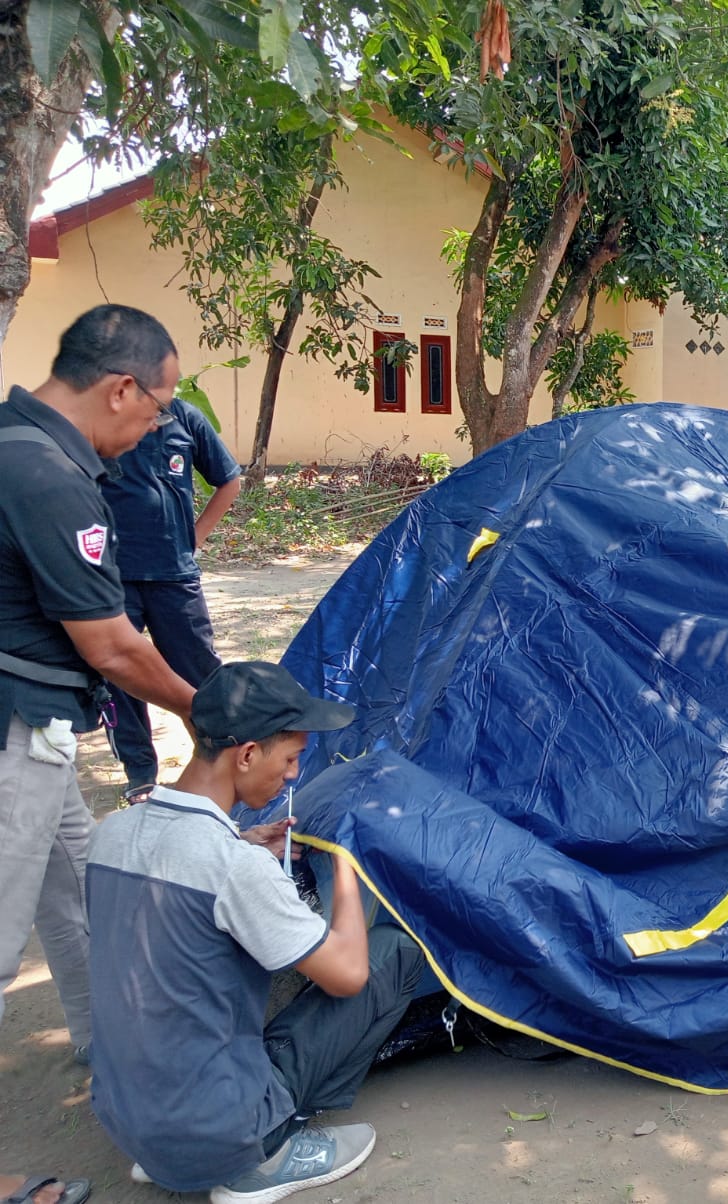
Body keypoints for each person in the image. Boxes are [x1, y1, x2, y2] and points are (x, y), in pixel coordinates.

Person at [86, 661, 425, 1203]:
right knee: (395, 952)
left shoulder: (114, 833)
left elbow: (178, 886)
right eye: (290, 758)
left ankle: (176, 1154)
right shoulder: (234, 868)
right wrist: (347, 864)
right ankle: (261, 1157)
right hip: (222, 1130)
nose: (292, 776)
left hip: (127, 1119)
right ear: (247, 754)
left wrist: (243, 844)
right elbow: (348, 975)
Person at [0, 304, 200, 1204]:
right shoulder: (48, 474)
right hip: (14, 739)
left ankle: (109, 1047)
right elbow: (113, 647)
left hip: (41, 737)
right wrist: (216, 714)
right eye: (158, 405)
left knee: (84, 891)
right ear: (121, 387)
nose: (158, 424)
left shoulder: (19, 444)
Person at [100, 394, 242, 802]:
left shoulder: (183, 416)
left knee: (199, 672)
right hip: (113, 577)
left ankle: (216, 761)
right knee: (121, 678)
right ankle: (140, 773)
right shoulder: (98, 416)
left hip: (174, 576)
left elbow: (228, 480)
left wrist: (194, 538)